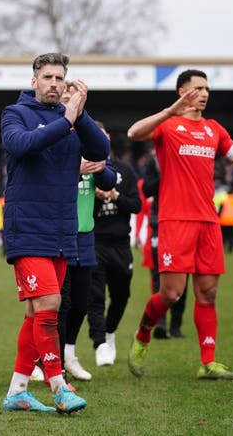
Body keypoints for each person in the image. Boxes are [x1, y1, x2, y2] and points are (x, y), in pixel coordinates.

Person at [126, 69, 233, 380]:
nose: (205, 93)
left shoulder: (214, 130)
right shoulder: (168, 126)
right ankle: (144, 331)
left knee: (208, 293)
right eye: (198, 87)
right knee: (171, 294)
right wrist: (170, 111)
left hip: (207, 221)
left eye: (207, 88)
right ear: (182, 91)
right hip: (175, 220)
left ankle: (208, 362)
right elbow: (134, 133)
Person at [0, 52, 109, 413]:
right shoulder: (14, 114)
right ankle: (58, 385)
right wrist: (68, 118)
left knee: (36, 314)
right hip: (27, 227)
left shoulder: (73, 118)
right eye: (47, 77)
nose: (54, 83)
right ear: (34, 81)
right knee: (49, 306)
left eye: (60, 78)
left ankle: (17, 392)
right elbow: (22, 145)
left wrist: (82, 111)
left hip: (63, 230)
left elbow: (101, 150)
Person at [60, 154, 116, 381]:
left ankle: (68, 354)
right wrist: (76, 170)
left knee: (81, 303)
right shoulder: (61, 144)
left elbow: (110, 181)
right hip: (59, 236)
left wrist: (101, 169)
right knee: (58, 304)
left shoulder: (94, 152)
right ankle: (48, 362)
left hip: (84, 238)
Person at [87, 138, 141, 367]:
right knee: (95, 296)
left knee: (121, 296)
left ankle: (109, 332)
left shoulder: (124, 170)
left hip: (120, 243)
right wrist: (98, 200)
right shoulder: (83, 171)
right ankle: (99, 342)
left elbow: (136, 206)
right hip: (94, 241)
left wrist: (114, 196)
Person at [141, 154, 187, 339]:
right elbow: (147, 189)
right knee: (158, 272)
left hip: (184, 223)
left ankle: (176, 325)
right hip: (160, 223)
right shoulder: (155, 160)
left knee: (184, 274)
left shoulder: (185, 157)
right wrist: (166, 173)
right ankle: (160, 322)